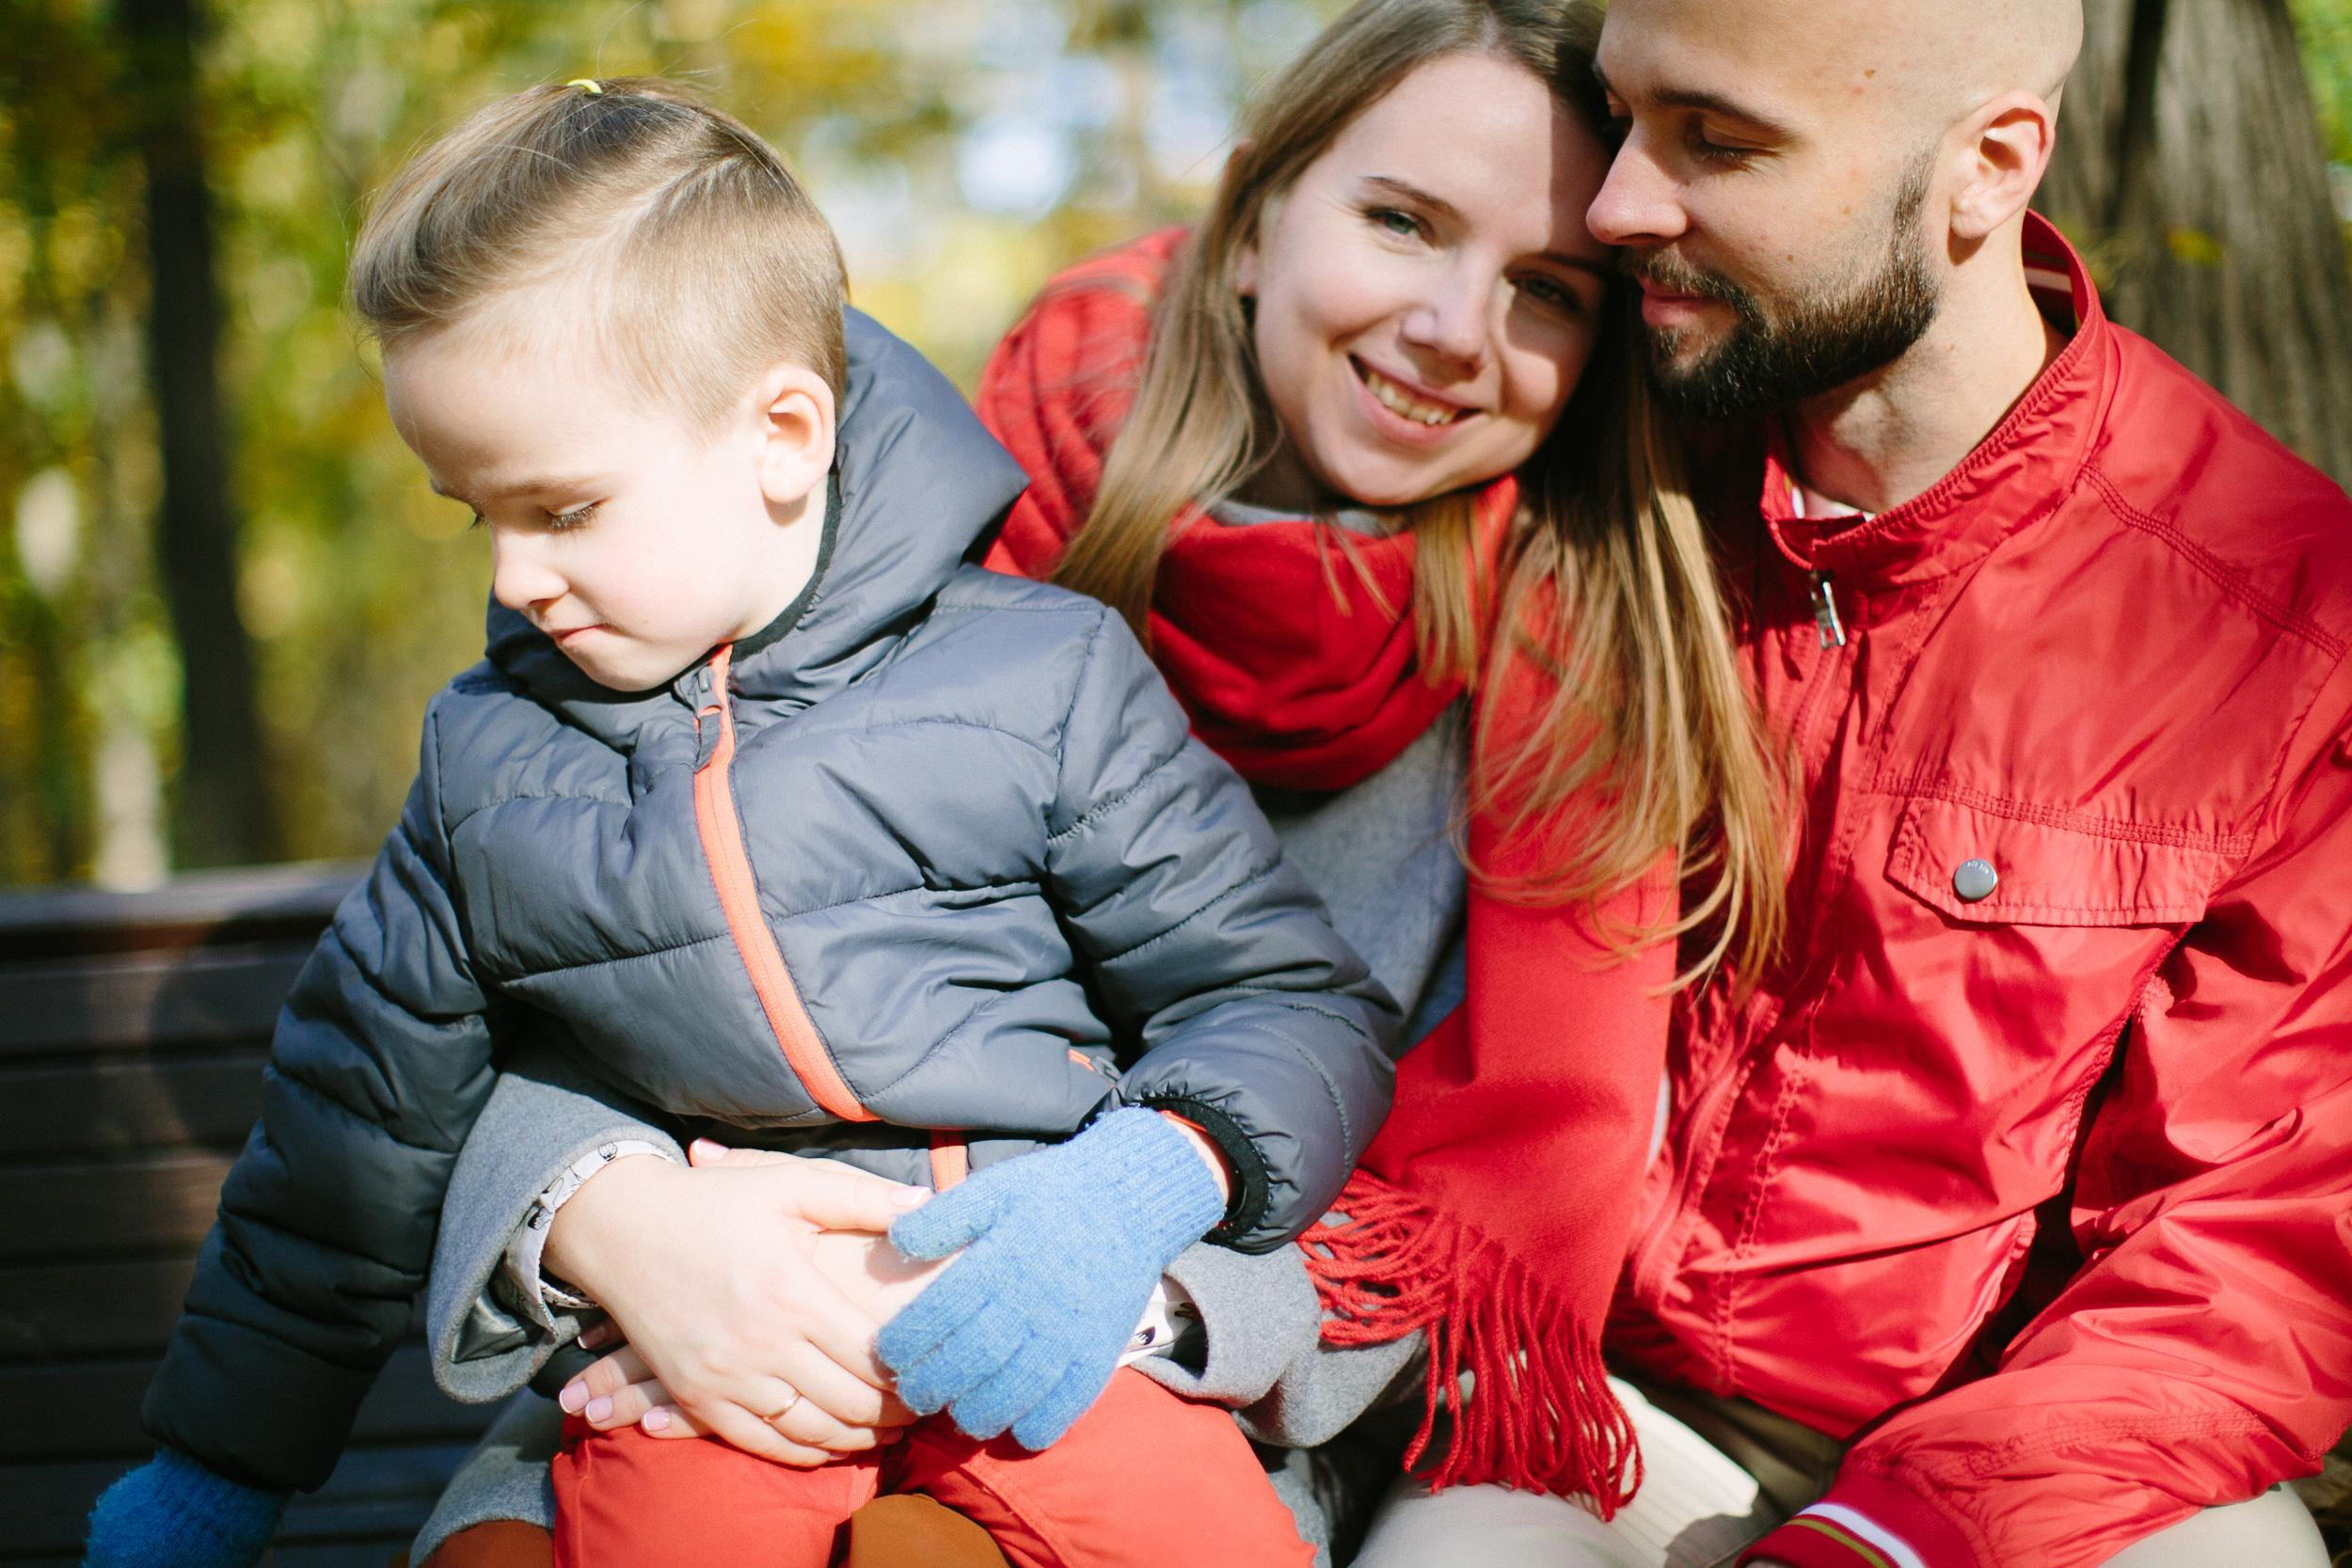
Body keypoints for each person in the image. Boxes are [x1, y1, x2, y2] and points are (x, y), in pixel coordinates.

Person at [406, 3, 1787, 1564]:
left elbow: (1431, 1191)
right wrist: (616, 1221)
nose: (1458, 327)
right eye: (1404, 222)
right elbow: (529, 962)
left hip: (1169, 1359)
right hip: (724, 1309)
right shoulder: (876, 530)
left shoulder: (1580, 665)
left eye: (1548, 290)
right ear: (1257, 217)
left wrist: (1144, 1288)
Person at [79, 78, 1406, 1568]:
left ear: (782, 435)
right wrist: (217, 1474)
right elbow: (347, 1143)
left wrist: (1136, 1184)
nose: (513, 576)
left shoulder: (1039, 676)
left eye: (563, 509)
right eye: (475, 514)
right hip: (714, 1372)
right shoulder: (489, 763)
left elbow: (1283, 999)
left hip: (1029, 1312)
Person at [1346, 0, 2352, 1564]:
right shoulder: (1609, 420)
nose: (1615, 205)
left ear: (1988, 167)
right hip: (1588, 1397)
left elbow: (2259, 1246)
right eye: (1622, 118)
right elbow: (1275, 325)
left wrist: (1893, 1539)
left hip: (2022, 1450)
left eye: (1721, 143)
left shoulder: (2280, 620)